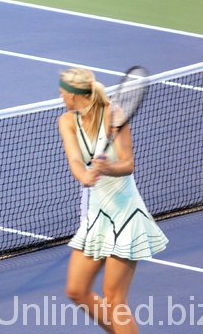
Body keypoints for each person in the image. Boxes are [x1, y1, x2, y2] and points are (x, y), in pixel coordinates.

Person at [57, 68, 168, 333]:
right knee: (77, 290)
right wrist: (85, 175)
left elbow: (128, 164)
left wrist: (106, 169)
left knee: (114, 300)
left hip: (125, 215)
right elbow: (74, 158)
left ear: (73, 95)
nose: (61, 96)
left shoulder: (114, 116)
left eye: (63, 93)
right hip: (97, 217)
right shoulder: (67, 121)